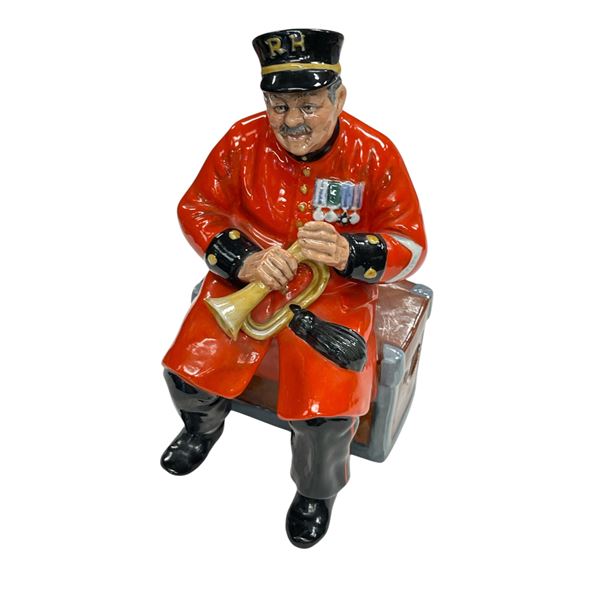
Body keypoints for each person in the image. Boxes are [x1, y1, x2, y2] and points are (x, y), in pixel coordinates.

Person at [161, 28, 427, 548]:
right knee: (188, 371)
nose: (290, 122)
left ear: (339, 97)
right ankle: (201, 428)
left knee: (327, 416)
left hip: (334, 297)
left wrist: (350, 252)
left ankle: (315, 490)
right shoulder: (242, 141)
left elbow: (411, 244)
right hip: (247, 283)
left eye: (308, 105)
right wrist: (245, 259)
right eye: (279, 106)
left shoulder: (375, 153)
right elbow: (196, 208)